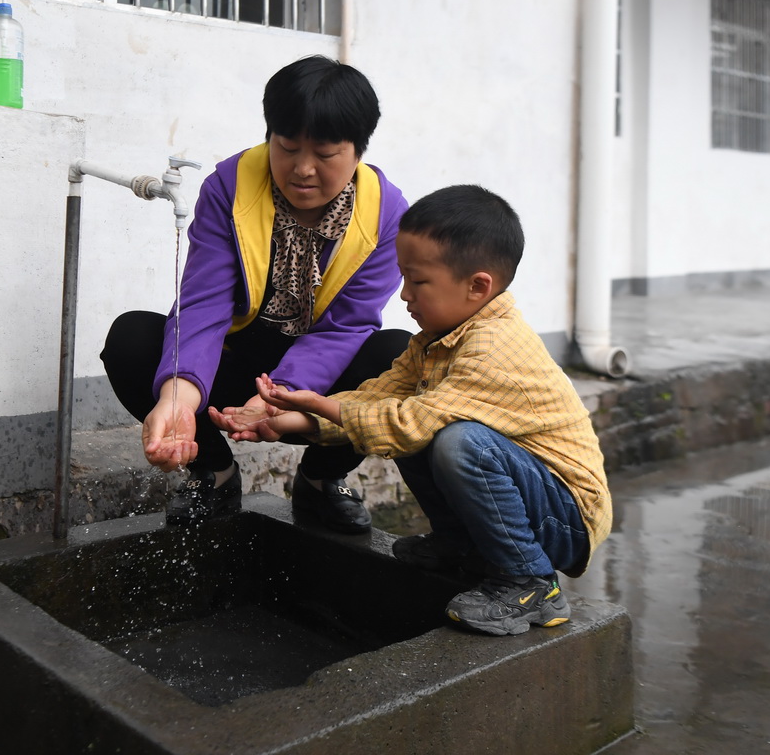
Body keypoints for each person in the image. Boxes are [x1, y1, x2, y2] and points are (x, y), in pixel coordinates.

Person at [209, 184, 612, 636]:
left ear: (478, 286)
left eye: (418, 281)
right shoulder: (440, 338)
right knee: (419, 422)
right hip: (530, 495)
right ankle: (462, 549)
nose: (404, 295)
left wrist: (319, 405)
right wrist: (288, 420)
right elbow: (378, 398)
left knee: (458, 442)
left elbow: (407, 423)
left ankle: (530, 582)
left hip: (566, 516)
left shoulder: (493, 346)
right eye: (403, 278)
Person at [101, 55, 410, 535]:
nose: (302, 169)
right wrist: (180, 399)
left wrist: (278, 398)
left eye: (325, 154)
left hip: (317, 385)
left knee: (398, 359)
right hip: (232, 360)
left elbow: (347, 326)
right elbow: (204, 304)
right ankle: (214, 474)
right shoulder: (230, 186)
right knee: (133, 339)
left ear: (357, 151)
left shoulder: (386, 214)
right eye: (286, 147)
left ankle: (321, 480)